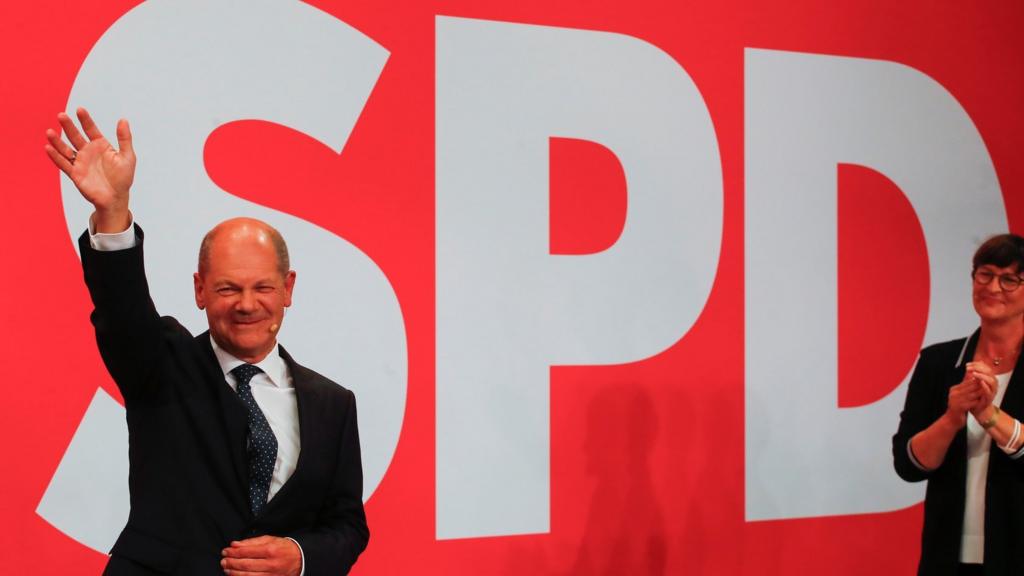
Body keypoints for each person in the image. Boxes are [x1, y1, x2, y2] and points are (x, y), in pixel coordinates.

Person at [45, 108, 368, 575]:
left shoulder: (333, 404)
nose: (246, 305)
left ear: (288, 289)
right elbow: (123, 314)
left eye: (262, 288)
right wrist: (112, 213)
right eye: (227, 288)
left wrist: (300, 557)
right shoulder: (163, 365)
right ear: (199, 289)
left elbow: (347, 526)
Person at [893, 234, 1024, 576]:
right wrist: (953, 417)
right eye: (985, 274)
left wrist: (988, 415)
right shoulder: (939, 362)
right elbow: (908, 464)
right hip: (948, 555)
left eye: (1009, 279)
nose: (993, 287)